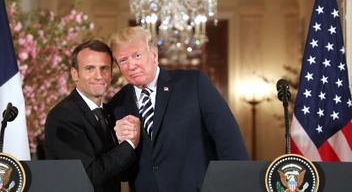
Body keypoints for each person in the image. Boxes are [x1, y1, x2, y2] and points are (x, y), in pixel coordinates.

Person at [108, 26, 249, 192]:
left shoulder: (193, 84)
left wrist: (238, 185)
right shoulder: (117, 105)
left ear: (154, 55)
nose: (131, 65)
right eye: (123, 60)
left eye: (137, 55)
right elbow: (123, 175)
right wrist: (124, 146)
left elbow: (230, 142)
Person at [44, 40, 141, 192]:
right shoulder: (62, 116)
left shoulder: (108, 112)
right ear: (75, 74)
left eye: (104, 69)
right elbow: (87, 176)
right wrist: (129, 144)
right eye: (90, 69)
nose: (99, 76)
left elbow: (117, 171)